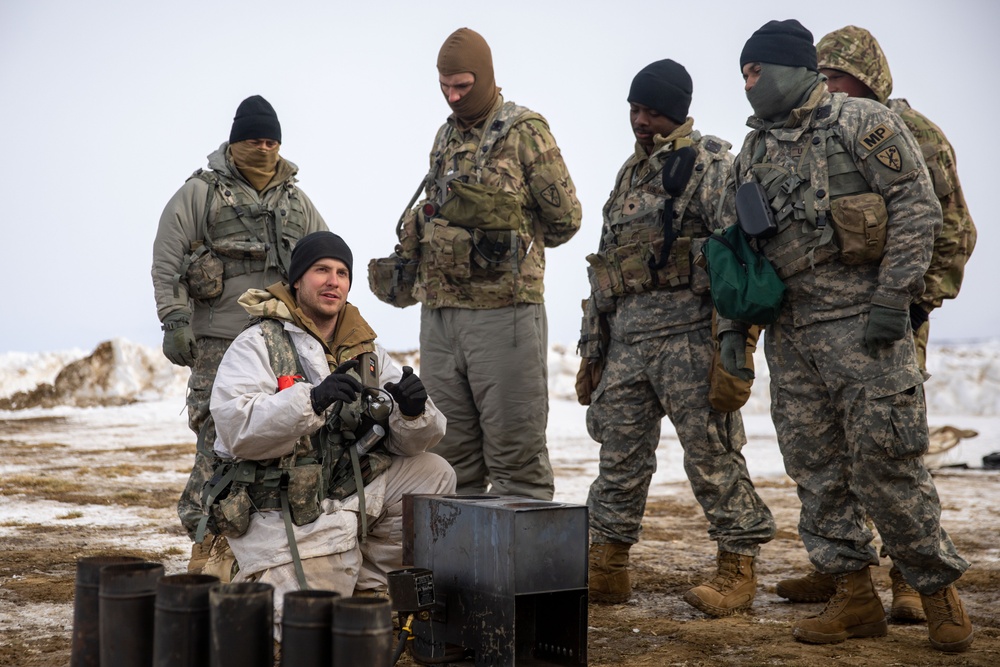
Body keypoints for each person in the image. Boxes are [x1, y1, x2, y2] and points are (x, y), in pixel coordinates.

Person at [720, 19, 972, 652]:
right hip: (793, 337)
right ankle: (852, 595)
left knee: (888, 464)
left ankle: (935, 591)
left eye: (757, 70)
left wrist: (895, 299)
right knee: (817, 470)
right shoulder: (753, 152)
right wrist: (735, 333)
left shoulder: (862, 125)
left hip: (864, 329)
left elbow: (918, 206)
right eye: (743, 74)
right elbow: (740, 252)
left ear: (794, 68)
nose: (750, 84)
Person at [581, 59, 776, 614]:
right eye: (635, 110)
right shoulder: (629, 174)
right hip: (628, 342)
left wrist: (734, 345)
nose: (641, 120)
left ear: (678, 109)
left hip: (690, 338)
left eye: (652, 110)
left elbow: (736, 256)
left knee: (712, 455)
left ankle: (737, 567)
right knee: (618, 457)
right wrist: (592, 347)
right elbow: (605, 266)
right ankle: (608, 565)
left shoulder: (713, 162)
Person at [208, 231, 456, 627]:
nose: (333, 281)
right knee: (303, 627)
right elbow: (236, 429)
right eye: (321, 270)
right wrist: (311, 400)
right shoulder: (258, 342)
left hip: (344, 488)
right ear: (296, 281)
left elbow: (414, 441)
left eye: (342, 273)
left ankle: (372, 588)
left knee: (433, 472)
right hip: (283, 506)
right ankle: (242, 564)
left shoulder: (367, 352)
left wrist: (412, 413)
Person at [380, 27, 582, 500]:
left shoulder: (525, 132)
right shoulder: (445, 136)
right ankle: (461, 570)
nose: (452, 96)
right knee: (449, 459)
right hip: (441, 317)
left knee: (516, 457)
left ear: (486, 77)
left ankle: (525, 571)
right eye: (445, 86)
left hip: (504, 314)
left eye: (463, 86)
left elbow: (566, 220)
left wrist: (506, 237)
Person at [151, 95, 329, 578]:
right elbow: (168, 256)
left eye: (272, 141)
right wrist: (174, 319)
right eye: (255, 140)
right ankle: (205, 545)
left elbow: (322, 257)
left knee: (279, 438)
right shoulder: (201, 193)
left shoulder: (295, 200)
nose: (265, 149)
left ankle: (256, 548)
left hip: (279, 345)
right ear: (235, 142)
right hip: (218, 339)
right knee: (216, 440)